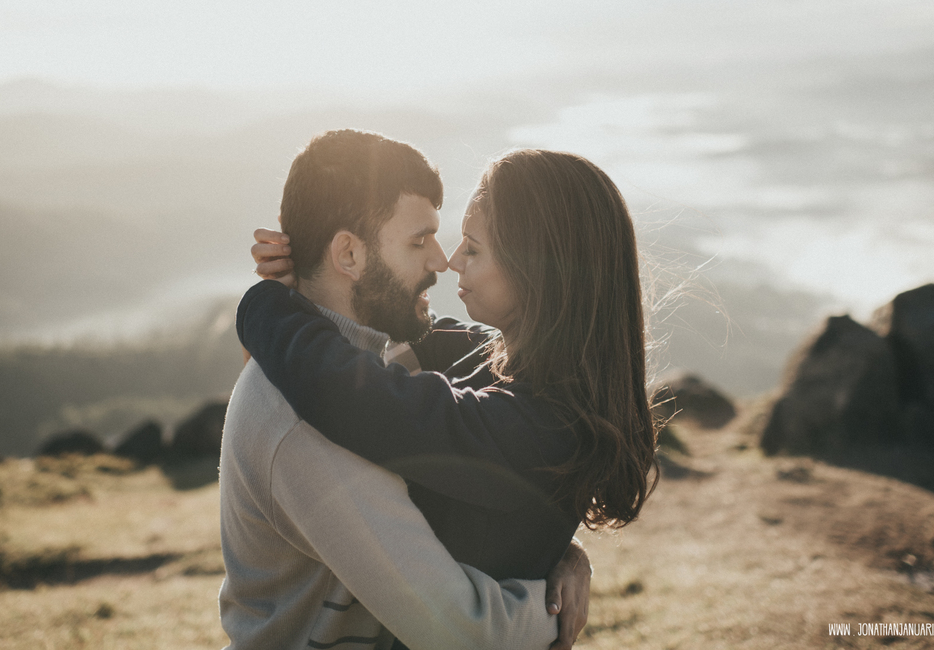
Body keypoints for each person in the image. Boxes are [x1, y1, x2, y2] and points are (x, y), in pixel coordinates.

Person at [240, 148, 660, 635]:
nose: (452, 261)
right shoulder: (515, 366)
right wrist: (564, 553)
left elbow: (352, 395)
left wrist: (265, 305)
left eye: (474, 249)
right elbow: (404, 332)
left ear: (541, 272)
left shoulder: (537, 425)